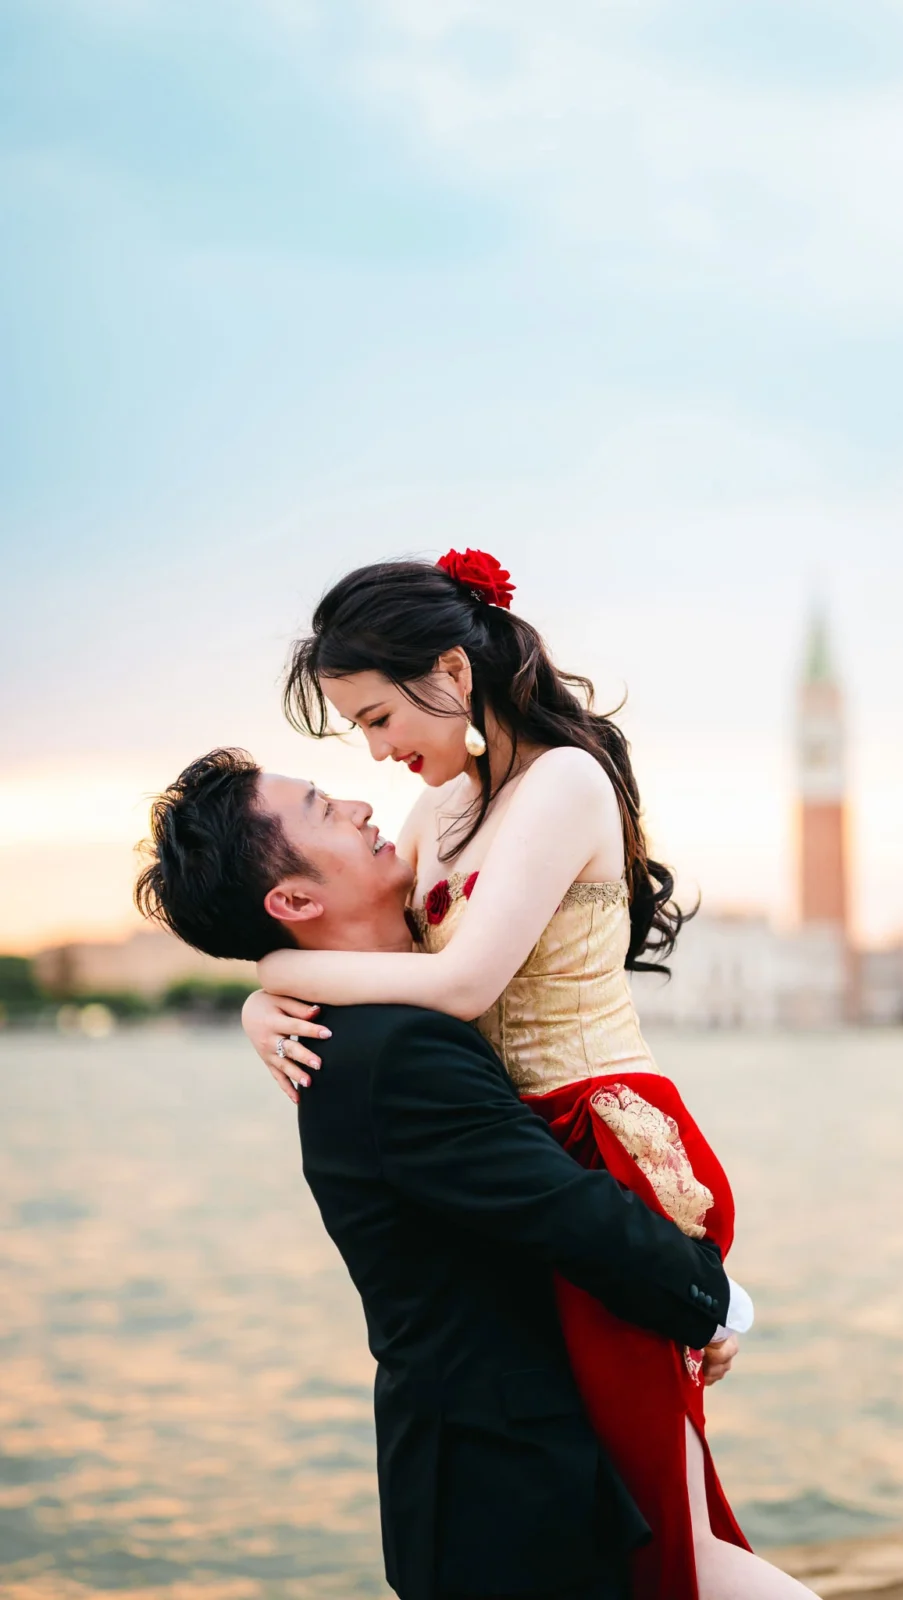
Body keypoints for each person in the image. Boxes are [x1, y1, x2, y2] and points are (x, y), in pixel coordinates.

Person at [239, 551, 809, 1600]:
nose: (375, 750)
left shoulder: (561, 779)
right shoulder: (437, 811)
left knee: (672, 1529)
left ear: (450, 672)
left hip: (608, 1148)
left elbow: (455, 984)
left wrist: (268, 969)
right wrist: (262, 999)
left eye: (376, 717)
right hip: (527, 1158)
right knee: (630, 1522)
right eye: (357, 730)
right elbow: (371, 952)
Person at [135, 747, 745, 1600]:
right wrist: (710, 1300)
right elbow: (563, 1209)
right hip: (506, 1495)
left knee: (706, 1567)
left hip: (489, 1476)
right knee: (709, 1571)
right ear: (296, 901)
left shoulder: (361, 1026)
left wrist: (262, 985)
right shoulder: (396, 1050)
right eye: (318, 807)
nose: (356, 803)